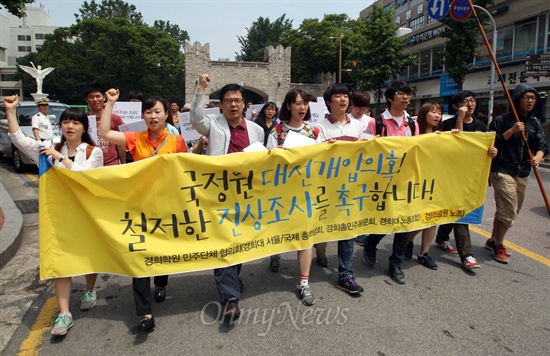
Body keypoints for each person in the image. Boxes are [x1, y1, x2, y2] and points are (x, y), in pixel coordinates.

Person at [4, 94, 103, 336]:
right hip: (57, 217)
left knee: (89, 256)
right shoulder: (47, 150)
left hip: (85, 215)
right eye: (66, 122)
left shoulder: (93, 152)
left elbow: (86, 178)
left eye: (76, 122)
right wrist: (10, 111)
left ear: (84, 128)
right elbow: (18, 139)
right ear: (60, 126)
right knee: (61, 264)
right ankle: (63, 314)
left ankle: (90, 288)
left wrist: (61, 160)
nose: (70, 126)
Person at [99, 89, 188, 332]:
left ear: (166, 115)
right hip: (139, 209)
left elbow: (187, 169)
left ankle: (160, 284)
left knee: (161, 253)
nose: (152, 116)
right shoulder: (134, 138)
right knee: (139, 257)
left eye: (157, 111)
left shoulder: (176, 141)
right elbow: (103, 133)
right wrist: (110, 104)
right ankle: (145, 313)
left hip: (167, 209)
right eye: (148, 112)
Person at [190, 74, 264, 321]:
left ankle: (231, 278)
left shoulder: (256, 130)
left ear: (245, 105)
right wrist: (201, 88)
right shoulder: (212, 125)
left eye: (238, 100)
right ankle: (230, 299)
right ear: (220, 104)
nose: (233, 104)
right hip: (218, 196)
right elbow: (195, 118)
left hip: (246, 196)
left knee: (239, 241)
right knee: (223, 243)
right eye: (228, 100)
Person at [265, 89, 319, 306]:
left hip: (306, 191)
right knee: (280, 229)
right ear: (288, 105)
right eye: (297, 103)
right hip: (282, 192)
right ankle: (275, 253)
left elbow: (323, 159)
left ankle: (304, 282)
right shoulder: (276, 132)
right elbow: (264, 161)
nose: (302, 107)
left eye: (305, 103)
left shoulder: (314, 131)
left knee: (304, 236)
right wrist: (274, 154)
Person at [363, 81, 419, 285]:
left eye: (408, 94)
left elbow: (417, 150)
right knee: (387, 219)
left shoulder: (412, 123)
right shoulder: (376, 123)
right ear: (389, 98)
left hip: (406, 181)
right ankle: (372, 240)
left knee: (404, 222)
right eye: (400, 94)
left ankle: (395, 263)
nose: (405, 97)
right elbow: (365, 152)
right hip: (383, 181)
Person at [434, 91, 495, 268]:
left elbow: (486, 149)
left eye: (472, 101)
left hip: (471, 178)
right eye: (465, 102)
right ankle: (466, 255)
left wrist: (492, 152)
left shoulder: (481, 126)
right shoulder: (447, 125)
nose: (470, 104)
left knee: (456, 211)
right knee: (461, 213)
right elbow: (456, 146)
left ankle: (441, 237)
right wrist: (460, 119)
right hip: (450, 176)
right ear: (455, 106)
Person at [315, 83, 366, 294]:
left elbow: (365, 155)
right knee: (319, 227)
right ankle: (317, 254)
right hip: (326, 188)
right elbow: (315, 156)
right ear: (328, 101)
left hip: (350, 187)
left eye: (345, 96)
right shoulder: (319, 128)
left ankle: (345, 274)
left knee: (348, 229)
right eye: (338, 96)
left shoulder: (357, 126)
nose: (343, 99)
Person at [488, 84, 548, 263]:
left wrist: (538, 157)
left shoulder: (535, 123)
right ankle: (499, 244)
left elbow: (542, 145)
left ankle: (492, 240)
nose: (530, 101)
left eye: (533, 98)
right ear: (516, 99)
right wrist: (512, 131)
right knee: (508, 210)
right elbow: (492, 143)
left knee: (511, 210)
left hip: (523, 172)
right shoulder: (501, 120)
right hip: (502, 170)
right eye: (526, 97)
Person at [404, 102, 446, 270]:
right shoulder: (415, 133)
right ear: (423, 114)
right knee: (419, 218)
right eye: (433, 112)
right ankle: (407, 238)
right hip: (416, 182)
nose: (437, 115)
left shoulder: (443, 135)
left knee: (432, 218)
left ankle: (424, 253)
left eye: (439, 112)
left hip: (436, 181)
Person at [84, 83, 126, 166]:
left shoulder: (115, 119)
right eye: (91, 97)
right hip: (89, 164)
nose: (95, 99)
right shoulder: (83, 119)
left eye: (98, 96)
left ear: (104, 97)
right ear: (86, 99)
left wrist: (123, 164)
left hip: (111, 164)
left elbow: (120, 145)